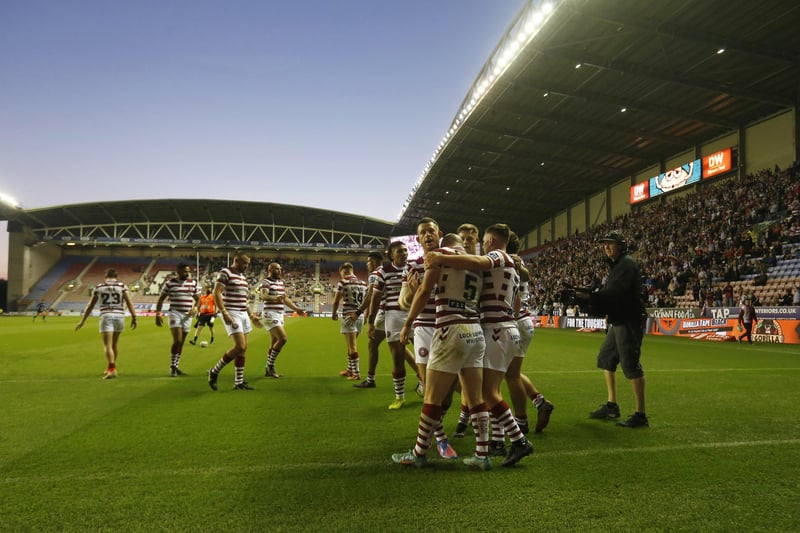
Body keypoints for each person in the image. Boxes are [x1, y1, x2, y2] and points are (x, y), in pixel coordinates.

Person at [426, 223, 534, 466]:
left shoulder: (497, 255)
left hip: (496, 329)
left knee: (488, 392)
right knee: (491, 389)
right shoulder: (513, 265)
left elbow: (476, 264)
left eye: (484, 240)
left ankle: (519, 440)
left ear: (492, 241)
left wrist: (440, 255)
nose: (483, 245)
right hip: (506, 328)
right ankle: (499, 441)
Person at [393, 233, 492, 470]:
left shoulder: (441, 255)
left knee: (432, 397)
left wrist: (407, 323)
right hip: (475, 330)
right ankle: (482, 455)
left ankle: (418, 453)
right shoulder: (473, 260)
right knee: (475, 398)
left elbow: (425, 291)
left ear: (444, 243)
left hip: (450, 327)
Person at [572, 230, 649, 428]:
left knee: (631, 365)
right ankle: (611, 405)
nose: (606, 247)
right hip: (618, 319)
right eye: (605, 243)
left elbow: (614, 294)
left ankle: (641, 415)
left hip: (629, 319)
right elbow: (612, 295)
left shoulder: (626, 264)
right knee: (606, 359)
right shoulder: (618, 265)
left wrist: (590, 297)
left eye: (610, 243)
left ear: (621, 246)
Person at [398, 217, 457, 459]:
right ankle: (441, 440)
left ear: (439, 233)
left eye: (431, 231)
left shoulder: (453, 261)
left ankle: (431, 430)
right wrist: (412, 292)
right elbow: (403, 303)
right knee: (429, 388)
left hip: (449, 328)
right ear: (419, 238)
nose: (427, 235)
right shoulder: (414, 267)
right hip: (424, 329)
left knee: (448, 394)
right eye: (422, 233)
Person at [505, 231, 554, 436]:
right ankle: (539, 402)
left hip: (515, 321)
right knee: (511, 373)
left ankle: (521, 422)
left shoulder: (508, 263)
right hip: (523, 321)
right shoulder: (515, 262)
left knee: (511, 376)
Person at [366, 241, 416, 409]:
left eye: (405, 250)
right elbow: (376, 297)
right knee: (397, 356)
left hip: (416, 316)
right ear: (391, 255)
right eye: (399, 251)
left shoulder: (413, 268)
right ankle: (399, 396)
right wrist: (371, 322)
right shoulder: (383, 271)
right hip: (393, 316)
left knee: (426, 356)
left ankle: (425, 385)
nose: (403, 253)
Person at [207, 253, 261, 391]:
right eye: (245, 263)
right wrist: (224, 312)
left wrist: (251, 316)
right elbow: (216, 292)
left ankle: (239, 382)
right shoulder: (226, 272)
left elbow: (244, 301)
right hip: (232, 312)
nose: (247, 266)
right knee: (240, 346)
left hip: (243, 313)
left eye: (248, 264)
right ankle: (214, 371)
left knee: (243, 350)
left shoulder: (243, 278)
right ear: (236, 261)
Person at [75, 268, 137, 379]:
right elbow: (129, 302)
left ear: (106, 276)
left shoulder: (99, 287)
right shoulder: (122, 286)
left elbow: (90, 305)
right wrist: (134, 317)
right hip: (119, 316)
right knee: (114, 344)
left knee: (107, 345)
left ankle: (112, 369)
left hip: (106, 315)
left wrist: (82, 321)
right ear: (116, 276)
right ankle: (111, 367)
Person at [259, 262, 306, 378]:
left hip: (279, 314)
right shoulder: (266, 282)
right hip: (270, 314)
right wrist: (275, 298)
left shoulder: (280, 282)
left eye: (280, 269)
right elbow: (263, 296)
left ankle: (267, 369)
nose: (279, 271)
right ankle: (270, 366)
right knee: (283, 338)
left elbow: (285, 299)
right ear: (270, 270)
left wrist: (296, 309)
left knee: (274, 342)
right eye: (277, 269)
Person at [155, 262, 199, 377]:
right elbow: (161, 300)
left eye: (188, 271)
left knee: (182, 343)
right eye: (185, 271)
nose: (188, 273)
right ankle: (172, 367)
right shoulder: (170, 283)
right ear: (178, 271)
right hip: (175, 313)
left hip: (188, 316)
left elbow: (198, 299)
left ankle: (176, 366)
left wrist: (195, 307)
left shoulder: (193, 283)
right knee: (178, 341)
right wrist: (158, 314)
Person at [331, 262, 367, 380]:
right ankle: (349, 369)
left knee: (352, 346)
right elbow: (367, 300)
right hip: (360, 316)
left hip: (349, 316)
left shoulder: (343, 282)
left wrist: (334, 313)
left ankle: (356, 373)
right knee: (350, 345)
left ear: (343, 271)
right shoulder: (363, 283)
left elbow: (336, 301)